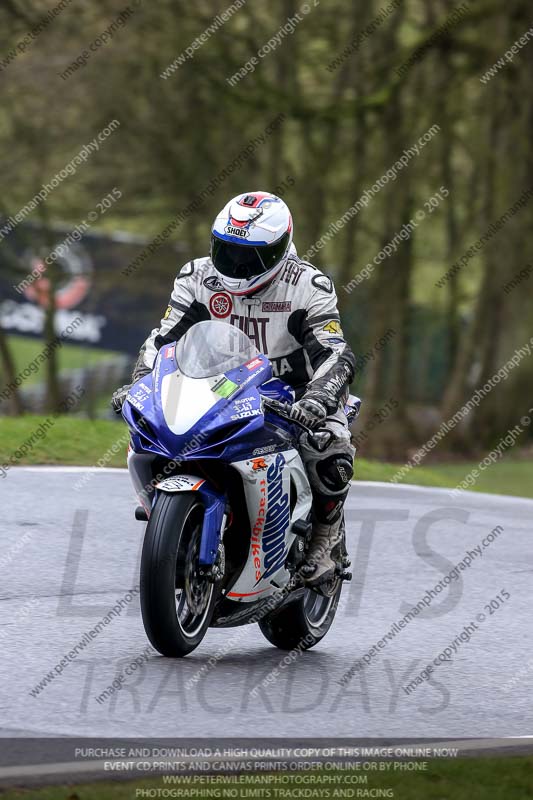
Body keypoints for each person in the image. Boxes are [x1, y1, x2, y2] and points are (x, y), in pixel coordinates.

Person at [112, 191, 356, 585]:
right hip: (216, 384)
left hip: (292, 393)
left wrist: (318, 399)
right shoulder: (197, 276)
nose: (238, 265)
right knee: (149, 424)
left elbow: (336, 353)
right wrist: (140, 382)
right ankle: (162, 506)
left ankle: (326, 538)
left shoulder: (309, 285)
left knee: (329, 443)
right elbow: (162, 339)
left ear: (279, 250)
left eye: (251, 256)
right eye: (228, 250)